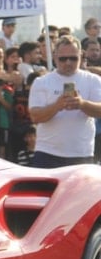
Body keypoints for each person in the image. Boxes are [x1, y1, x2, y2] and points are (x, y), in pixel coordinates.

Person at [28, 36, 101, 168]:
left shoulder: (93, 80)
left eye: (73, 58)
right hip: (47, 152)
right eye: (63, 59)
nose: (68, 62)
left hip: (81, 152)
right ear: (55, 57)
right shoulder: (41, 82)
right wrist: (57, 105)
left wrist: (82, 104)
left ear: (81, 56)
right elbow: (35, 116)